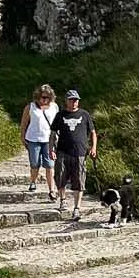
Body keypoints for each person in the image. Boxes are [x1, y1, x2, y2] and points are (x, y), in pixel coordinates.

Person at [48, 88, 97, 221]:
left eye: (76, 100)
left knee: (79, 180)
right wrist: (51, 149)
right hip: (63, 151)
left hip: (80, 153)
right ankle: (62, 199)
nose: (74, 102)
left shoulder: (85, 115)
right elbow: (52, 134)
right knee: (60, 176)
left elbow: (92, 132)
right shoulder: (60, 115)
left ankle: (77, 208)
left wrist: (93, 148)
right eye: (72, 100)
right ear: (67, 101)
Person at [20, 83, 58, 200]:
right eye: (42, 97)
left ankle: (52, 190)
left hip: (48, 140)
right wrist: (22, 137)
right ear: (38, 96)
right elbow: (24, 123)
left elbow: (57, 124)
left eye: (47, 97)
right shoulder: (30, 107)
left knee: (50, 165)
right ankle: (33, 181)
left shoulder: (54, 107)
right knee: (35, 163)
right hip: (33, 139)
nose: (44, 100)